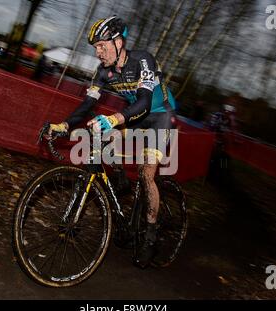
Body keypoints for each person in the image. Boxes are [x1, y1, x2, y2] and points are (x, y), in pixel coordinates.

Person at [41, 16, 177, 268]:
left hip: (159, 115)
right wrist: (64, 125)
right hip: (135, 113)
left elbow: (145, 102)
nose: (98, 52)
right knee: (101, 136)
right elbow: (87, 104)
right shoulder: (103, 71)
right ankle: (119, 178)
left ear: (118, 42)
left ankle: (150, 234)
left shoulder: (143, 60)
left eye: (102, 46)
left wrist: (113, 118)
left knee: (147, 173)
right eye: (95, 48)